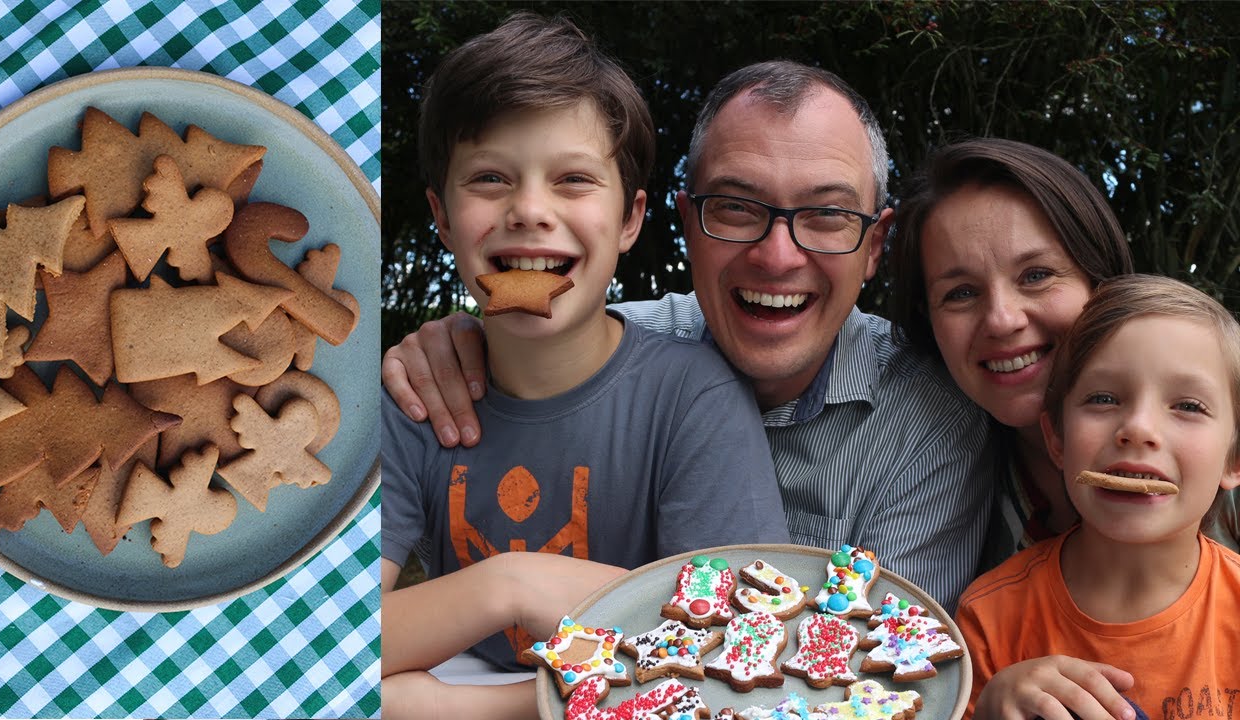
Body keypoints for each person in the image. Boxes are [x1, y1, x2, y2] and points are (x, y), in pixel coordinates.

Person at [383, 59, 996, 612]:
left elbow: (873, 666)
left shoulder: (930, 419)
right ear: (685, 224)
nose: (777, 256)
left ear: (874, 247)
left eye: (827, 216)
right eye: (736, 208)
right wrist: (458, 343)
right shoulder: (596, 354)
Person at [382, 14, 789, 719]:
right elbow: (320, 649)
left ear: (630, 220)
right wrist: (502, 596)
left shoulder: (693, 398)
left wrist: (512, 601)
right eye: (489, 178)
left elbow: (735, 646)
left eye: (572, 179)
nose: (530, 210)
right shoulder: (414, 400)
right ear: (442, 219)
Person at [888, 137, 1240, 567]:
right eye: (961, 293)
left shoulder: (1219, 456)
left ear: (1102, 284)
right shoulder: (933, 488)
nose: (1002, 319)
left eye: (1036, 275)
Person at [955, 274, 1240, 719]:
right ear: (1058, 440)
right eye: (1104, 398)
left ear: (1234, 458)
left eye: (1188, 406)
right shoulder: (990, 617)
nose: (1139, 429)